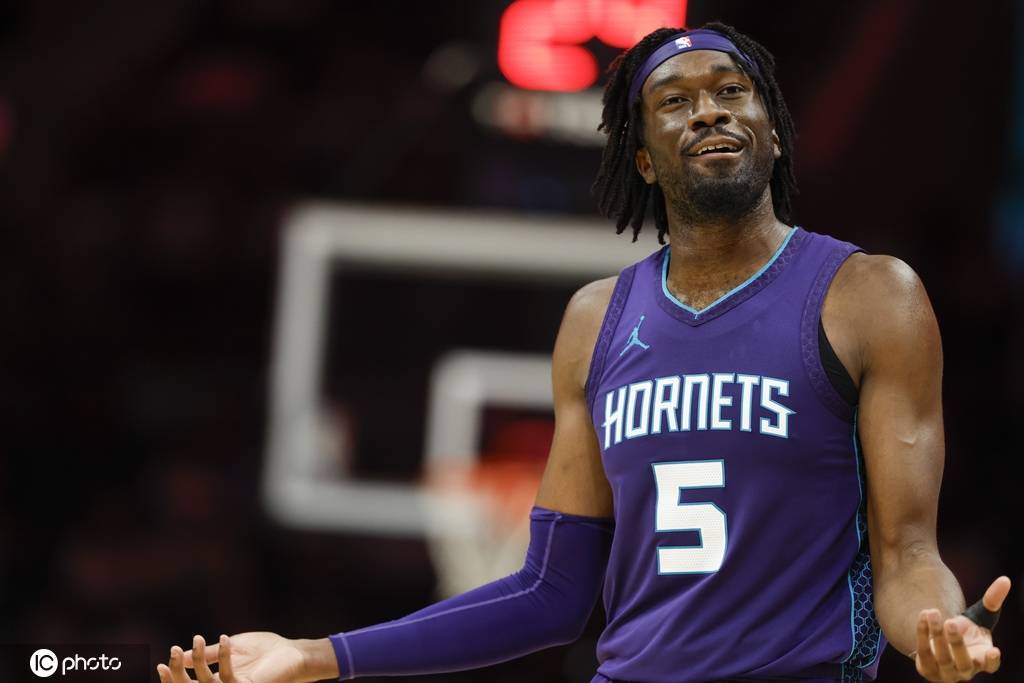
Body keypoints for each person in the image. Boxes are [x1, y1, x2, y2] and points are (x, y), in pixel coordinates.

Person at [157, 22, 1010, 683]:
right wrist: (315, 655)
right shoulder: (595, 320)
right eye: (674, 101)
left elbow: (908, 555)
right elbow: (552, 592)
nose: (709, 109)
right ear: (643, 158)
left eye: (732, 91)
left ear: (774, 132)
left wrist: (939, 629)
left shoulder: (870, 295)